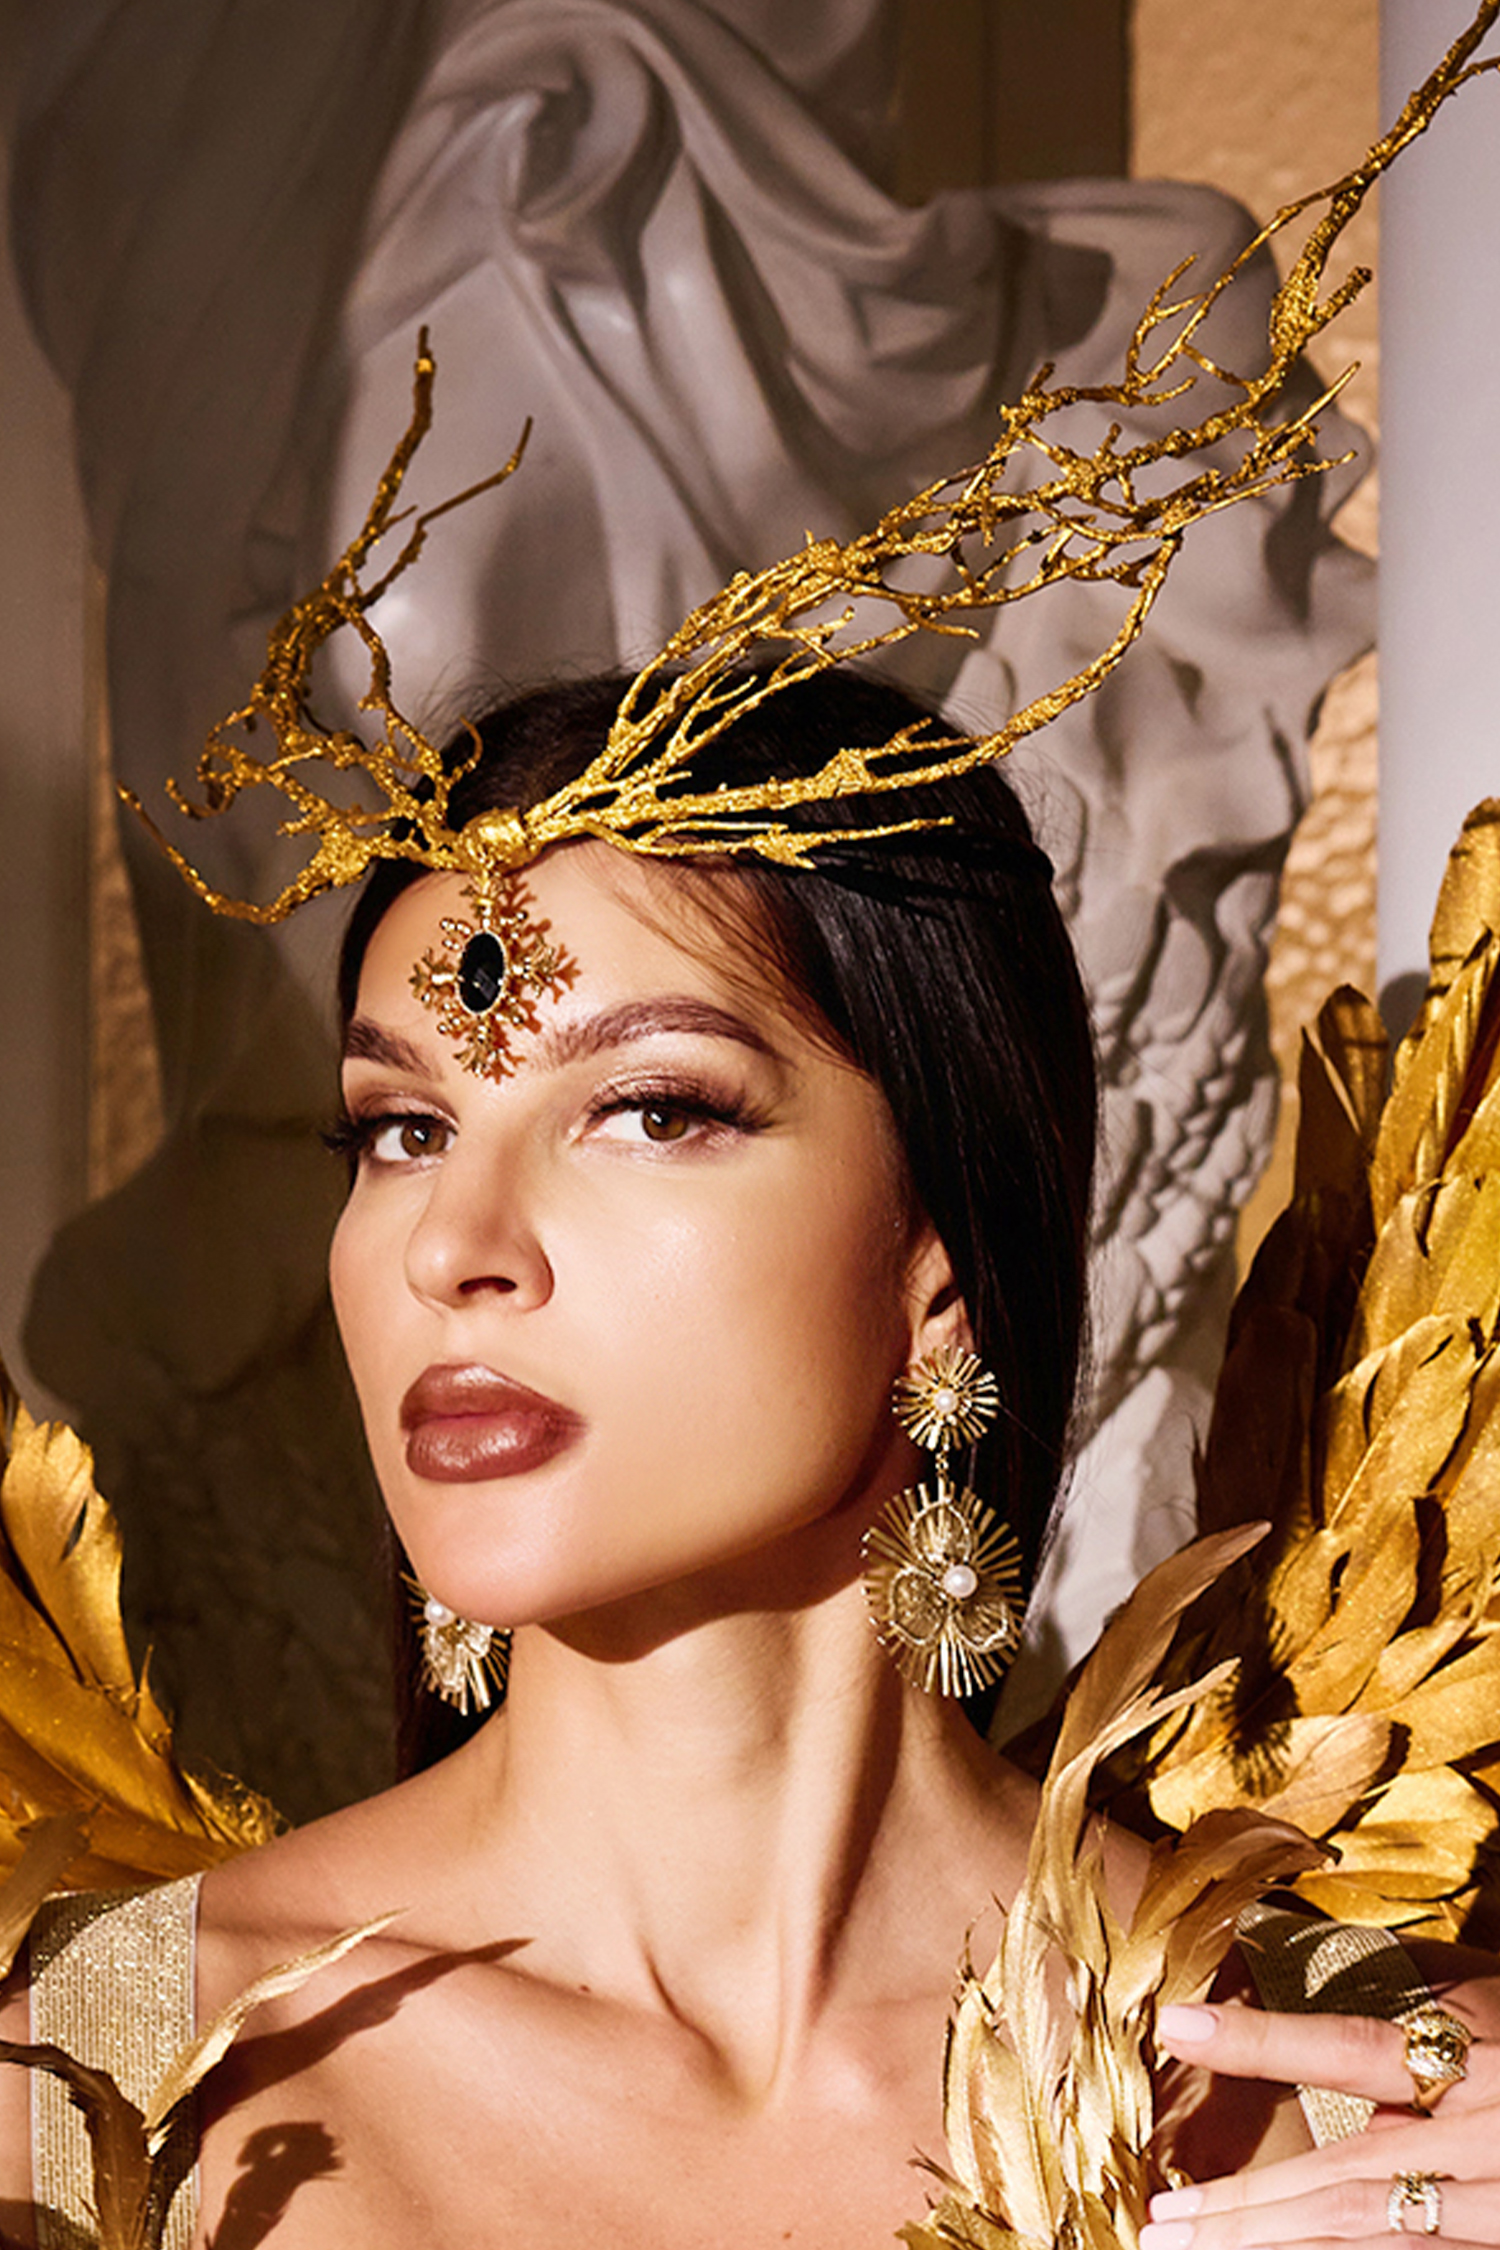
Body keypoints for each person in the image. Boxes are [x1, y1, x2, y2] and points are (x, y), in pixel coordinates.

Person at [5, 668, 1496, 2249]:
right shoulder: (94, 2079)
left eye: (650, 1110)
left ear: (942, 1257)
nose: (453, 1243)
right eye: (402, 1128)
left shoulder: (1359, 2087)